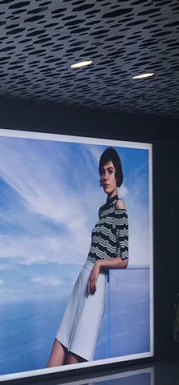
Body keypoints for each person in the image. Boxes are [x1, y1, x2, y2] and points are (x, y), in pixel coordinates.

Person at [47, 147, 129, 368]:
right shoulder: (102, 210)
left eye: (110, 171)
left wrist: (99, 264)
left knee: (73, 366)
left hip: (95, 285)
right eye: (102, 172)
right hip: (82, 280)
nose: (105, 177)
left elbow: (124, 259)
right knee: (53, 362)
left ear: (118, 175)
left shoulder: (119, 206)